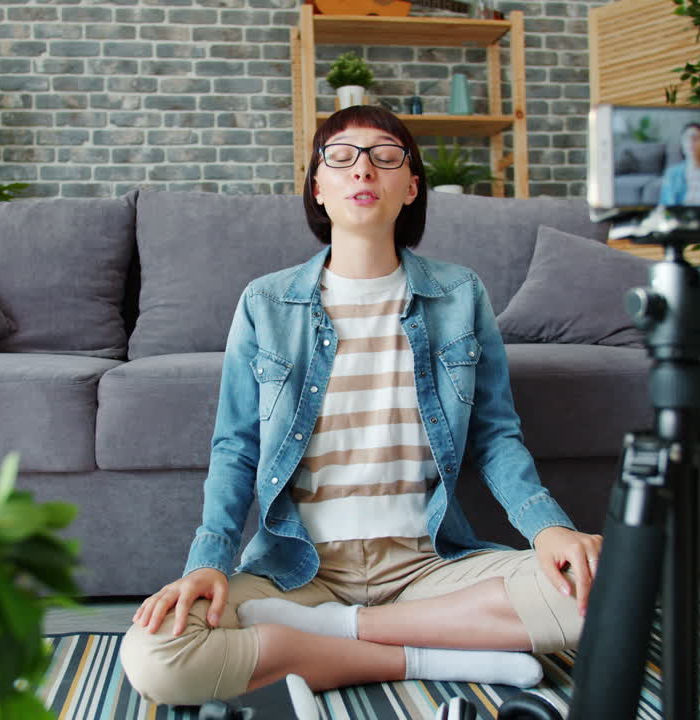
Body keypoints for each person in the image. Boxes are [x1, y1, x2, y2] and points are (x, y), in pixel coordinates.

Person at [121, 105, 602, 707]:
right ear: (318, 188)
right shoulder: (266, 303)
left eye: (385, 155)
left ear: (411, 186)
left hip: (427, 567)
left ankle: (337, 636)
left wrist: (548, 527)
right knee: (156, 656)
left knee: (606, 588)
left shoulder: (459, 294)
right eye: (341, 157)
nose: (363, 170)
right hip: (301, 573)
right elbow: (236, 447)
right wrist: (209, 562)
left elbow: (494, 435)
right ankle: (425, 654)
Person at [658, 122, 700, 206]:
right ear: (682, 144)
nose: (691, 141)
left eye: (696, 138)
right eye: (687, 138)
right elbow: (667, 206)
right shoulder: (671, 173)